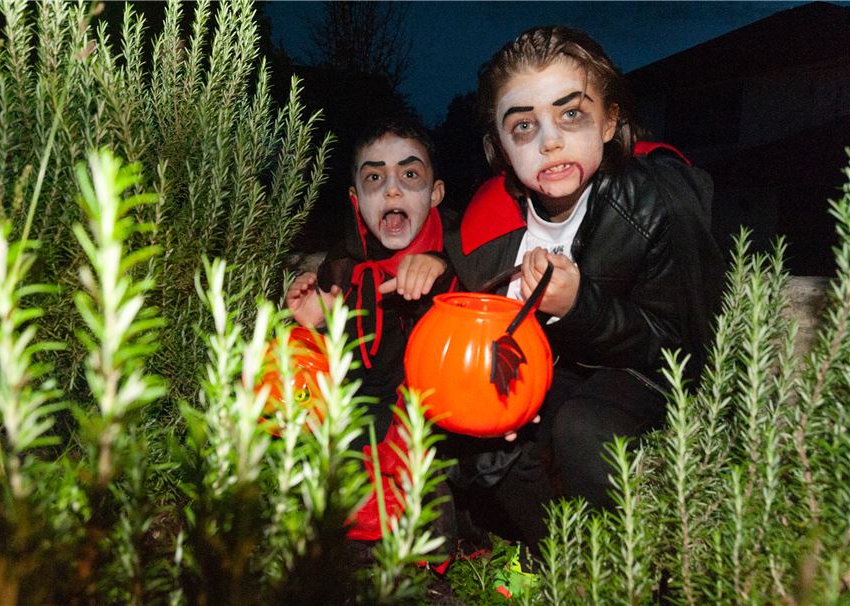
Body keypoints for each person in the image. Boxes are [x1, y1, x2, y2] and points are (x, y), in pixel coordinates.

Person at [444, 26, 725, 561]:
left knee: (581, 426)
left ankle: (623, 569)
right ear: (500, 148)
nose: (550, 141)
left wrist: (581, 306)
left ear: (610, 121)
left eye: (571, 114)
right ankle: (558, 558)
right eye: (523, 126)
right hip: (556, 378)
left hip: (645, 379)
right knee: (481, 428)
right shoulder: (492, 224)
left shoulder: (656, 206)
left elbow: (688, 353)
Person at [285, 115, 458, 552]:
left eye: (410, 174)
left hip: (438, 421)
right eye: (375, 177)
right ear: (356, 198)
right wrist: (315, 321)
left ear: (435, 193)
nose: (392, 189)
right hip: (366, 411)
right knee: (285, 366)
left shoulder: (461, 249)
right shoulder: (345, 263)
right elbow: (344, 367)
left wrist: (442, 270)